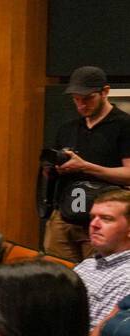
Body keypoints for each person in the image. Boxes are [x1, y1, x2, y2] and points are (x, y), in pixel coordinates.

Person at [42, 67, 130, 263]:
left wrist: (85, 166)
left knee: (99, 274)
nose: (81, 105)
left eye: (88, 98)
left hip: (101, 216)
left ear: (105, 92)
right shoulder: (68, 128)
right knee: (56, 274)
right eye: (76, 99)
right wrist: (52, 171)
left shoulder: (124, 126)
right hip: (64, 214)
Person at [73, 188, 130, 328]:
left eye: (106, 219)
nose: (94, 225)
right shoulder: (89, 263)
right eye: (93, 217)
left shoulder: (126, 277)